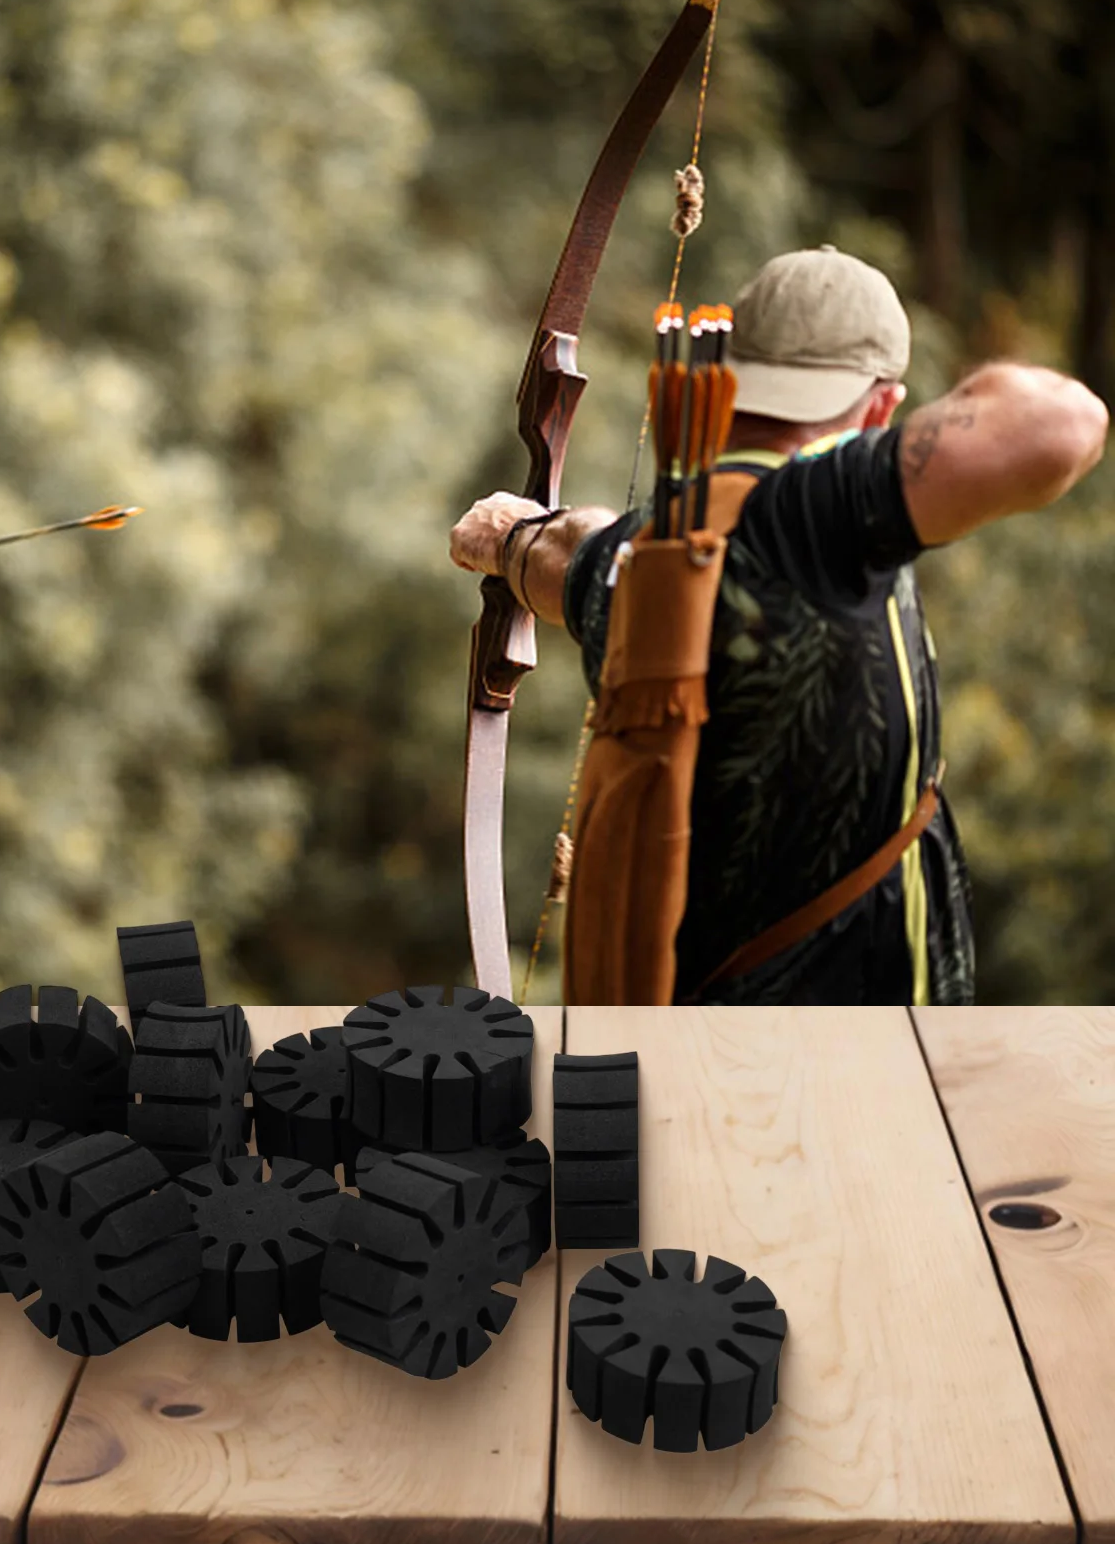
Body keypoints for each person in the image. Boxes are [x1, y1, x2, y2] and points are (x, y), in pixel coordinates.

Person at [450, 246, 1109, 1004]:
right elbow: (1067, 421)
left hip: (694, 1061)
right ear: (882, 408)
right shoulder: (821, 517)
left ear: (723, 382)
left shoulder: (646, 556)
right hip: (849, 1076)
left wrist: (506, 538)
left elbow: (564, 548)